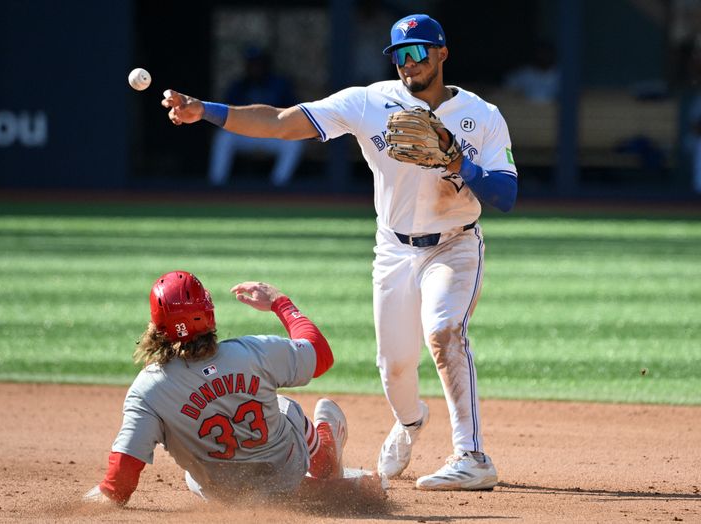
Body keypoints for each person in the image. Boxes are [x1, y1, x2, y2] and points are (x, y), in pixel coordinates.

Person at [161, 13, 517, 491]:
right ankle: (411, 423)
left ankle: (472, 456)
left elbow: (506, 196)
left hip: (454, 245)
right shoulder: (368, 103)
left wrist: (459, 162)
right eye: (400, 56)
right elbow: (281, 123)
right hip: (393, 249)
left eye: (419, 53)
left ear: (442, 53)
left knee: (444, 331)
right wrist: (205, 109)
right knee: (393, 365)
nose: (409, 64)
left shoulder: (483, 116)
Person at [83, 271, 352, 504]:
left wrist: (99, 498)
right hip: (286, 474)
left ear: (158, 327)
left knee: (192, 471)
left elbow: (122, 477)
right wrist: (280, 302)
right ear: (208, 312)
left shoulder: (148, 389)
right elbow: (321, 354)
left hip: (219, 492)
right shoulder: (253, 353)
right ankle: (325, 462)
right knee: (285, 406)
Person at [208, 47, 305, 187]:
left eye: (258, 63)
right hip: (245, 135)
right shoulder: (238, 87)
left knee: (295, 143)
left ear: (266, 64)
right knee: (223, 138)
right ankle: (216, 186)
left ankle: (277, 186)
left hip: (273, 135)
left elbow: (294, 113)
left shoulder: (280, 85)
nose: (255, 67)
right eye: (252, 63)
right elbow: (224, 115)